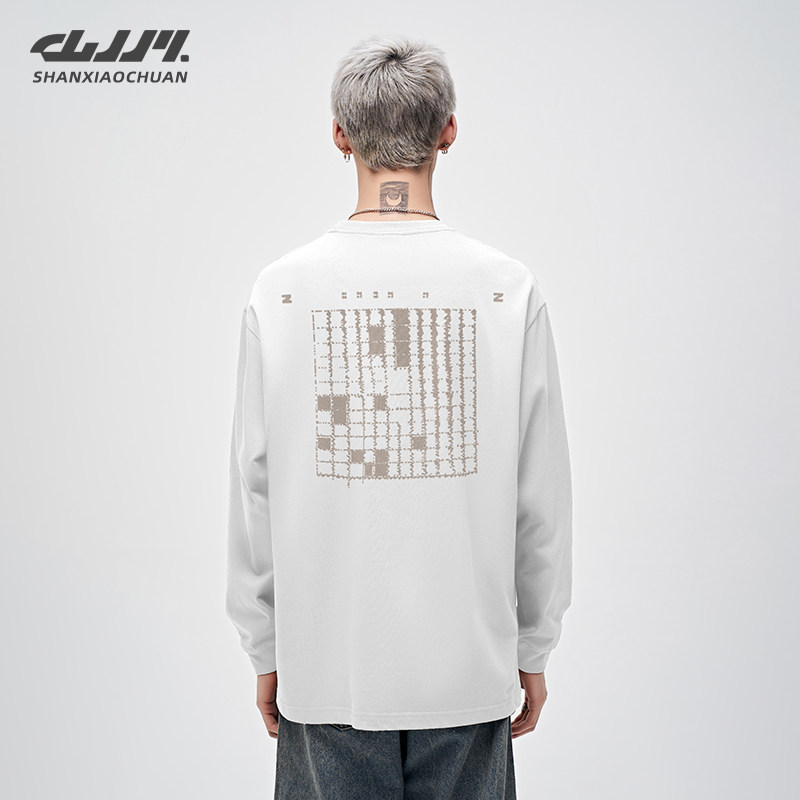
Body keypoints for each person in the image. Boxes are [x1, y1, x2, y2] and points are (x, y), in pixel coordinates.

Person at [225, 34, 573, 800]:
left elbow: (255, 492)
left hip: (328, 671)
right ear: (448, 130)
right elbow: (540, 500)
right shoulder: (506, 290)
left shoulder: (281, 293)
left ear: (340, 134)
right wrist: (533, 647)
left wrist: (266, 647)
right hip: (468, 672)